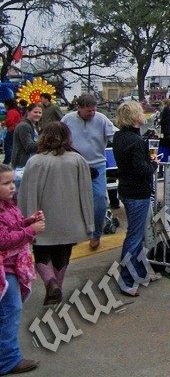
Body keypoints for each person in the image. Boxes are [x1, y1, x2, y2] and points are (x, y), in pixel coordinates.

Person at [17, 122, 93, 306]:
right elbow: (86, 193)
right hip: (71, 218)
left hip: (42, 217)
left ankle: (51, 284)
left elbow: (27, 193)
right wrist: (89, 223)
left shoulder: (34, 161)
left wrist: (25, 221)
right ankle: (56, 286)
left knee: (41, 251)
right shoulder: (77, 160)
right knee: (63, 252)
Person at [0, 163, 44, 375]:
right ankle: (7, 360)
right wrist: (30, 230)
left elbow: (13, 228)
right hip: (4, 270)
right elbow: (3, 239)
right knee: (11, 309)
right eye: (6, 183)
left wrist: (29, 221)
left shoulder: (9, 205)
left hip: (10, 268)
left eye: (12, 182)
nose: (12, 187)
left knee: (8, 310)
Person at [112, 101, 159, 297]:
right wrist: (154, 165)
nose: (144, 115)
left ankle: (139, 273)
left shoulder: (119, 137)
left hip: (126, 188)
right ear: (135, 117)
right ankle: (127, 279)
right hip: (137, 192)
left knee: (137, 235)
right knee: (134, 237)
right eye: (140, 112)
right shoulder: (136, 141)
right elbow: (141, 169)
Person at [61, 94, 116, 250]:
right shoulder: (68, 119)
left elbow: (115, 134)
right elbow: (59, 136)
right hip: (74, 165)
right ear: (79, 108)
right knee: (72, 200)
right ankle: (74, 233)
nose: (91, 114)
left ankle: (96, 234)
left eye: (93, 110)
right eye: (88, 111)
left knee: (99, 198)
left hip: (97, 165)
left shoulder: (101, 119)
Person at [11, 103, 42, 169]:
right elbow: (29, 147)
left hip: (29, 163)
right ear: (28, 112)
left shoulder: (33, 125)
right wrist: (45, 141)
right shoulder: (24, 126)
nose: (38, 115)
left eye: (40, 113)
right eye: (35, 112)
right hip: (22, 165)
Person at [2, 99, 23, 165]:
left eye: (5, 105)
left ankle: (7, 161)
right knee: (12, 146)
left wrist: (4, 122)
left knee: (7, 146)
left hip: (12, 130)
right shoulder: (17, 111)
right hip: (17, 129)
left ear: (7, 105)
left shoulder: (11, 111)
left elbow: (10, 120)